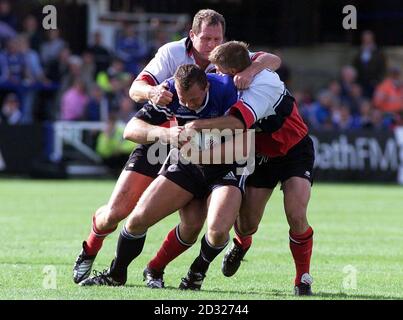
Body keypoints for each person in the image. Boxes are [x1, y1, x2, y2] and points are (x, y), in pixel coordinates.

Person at [72, 8, 281, 285]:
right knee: (120, 213)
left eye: (217, 39)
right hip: (165, 140)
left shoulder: (230, 69)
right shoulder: (171, 59)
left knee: (199, 224)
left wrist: (252, 70)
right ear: (192, 35)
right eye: (205, 38)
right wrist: (155, 96)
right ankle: (92, 251)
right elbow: (136, 95)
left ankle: (159, 270)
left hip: (211, 155)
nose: (211, 46)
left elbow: (271, 61)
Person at [79, 64, 245, 288]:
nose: (189, 105)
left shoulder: (229, 90)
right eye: (184, 100)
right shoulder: (169, 93)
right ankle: (117, 274)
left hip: (225, 169)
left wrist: (201, 136)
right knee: (138, 219)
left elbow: (245, 141)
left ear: (206, 86)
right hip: (188, 164)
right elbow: (131, 129)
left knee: (216, 231)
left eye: (195, 99)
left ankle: (196, 271)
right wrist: (164, 133)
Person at [184, 41, 315, 295]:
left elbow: (235, 123)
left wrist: (196, 127)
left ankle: (303, 278)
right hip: (261, 155)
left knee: (296, 214)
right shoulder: (244, 65)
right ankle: (242, 243)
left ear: (234, 70)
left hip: (294, 151)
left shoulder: (260, 87)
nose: (217, 75)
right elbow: (270, 57)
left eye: (221, 71)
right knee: (247, 225)